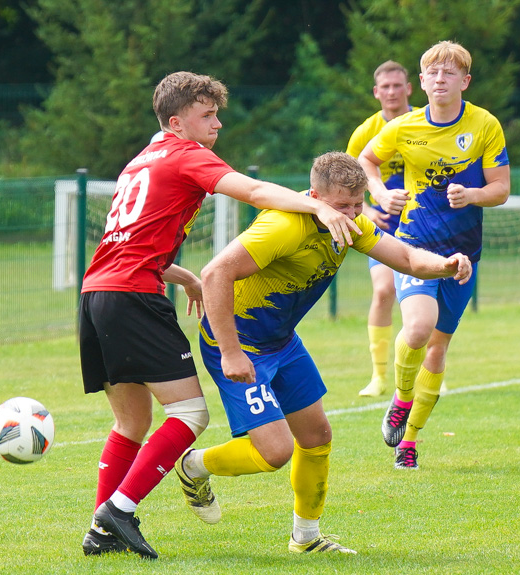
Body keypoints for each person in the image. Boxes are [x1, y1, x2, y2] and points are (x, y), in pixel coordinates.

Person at [78, 71, 361, 559]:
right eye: (207, 115)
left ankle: (102, 532)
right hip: (133, 298)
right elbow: (252, 191)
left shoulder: (140, 161)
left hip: (97, 294)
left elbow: (127, 240)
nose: (218, 124)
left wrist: (178, 273)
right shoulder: (187, 154)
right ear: (176, 122)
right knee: (190, 414)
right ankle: (119, 512)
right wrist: (318, 209)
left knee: (131, 424)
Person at [172, 152, 471, 555]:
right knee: (275, 451)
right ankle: (193, 466)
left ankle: (307, 539)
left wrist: (447, 265)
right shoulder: (283, 226)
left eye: (356, 205)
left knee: (317, 436)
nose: (349, 214)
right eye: (339, 206)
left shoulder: (352, 223)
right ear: (314, 196)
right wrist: (230, 353)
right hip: (239, 343)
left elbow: (406, 258)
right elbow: (214, 274)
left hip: (281, 341)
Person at [358, 41, 511, 470]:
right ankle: (401, 398)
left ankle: (409, 441)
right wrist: (381, 192)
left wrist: (474, 194)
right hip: (413, 246)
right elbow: (367, 161)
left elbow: (501, 189)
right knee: (419, 329)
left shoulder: (484, 125)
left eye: (450, 73)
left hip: (464, 254)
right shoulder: (403, 127)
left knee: (438, 350)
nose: (440, 79)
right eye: (433, 73)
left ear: (465, 80)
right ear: (421, 82)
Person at [345, 60, 418, 398]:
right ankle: (379, 377)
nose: (391, 92)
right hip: (386, 225)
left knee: (424, 295)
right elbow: (343, 181)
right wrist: (370, 210)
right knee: (384, 291)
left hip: (424, 222)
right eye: (384, 87)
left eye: (396, 85)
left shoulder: (425, 122)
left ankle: (430, 368)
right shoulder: (365, 132)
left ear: (409, 89)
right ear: (376, 93)